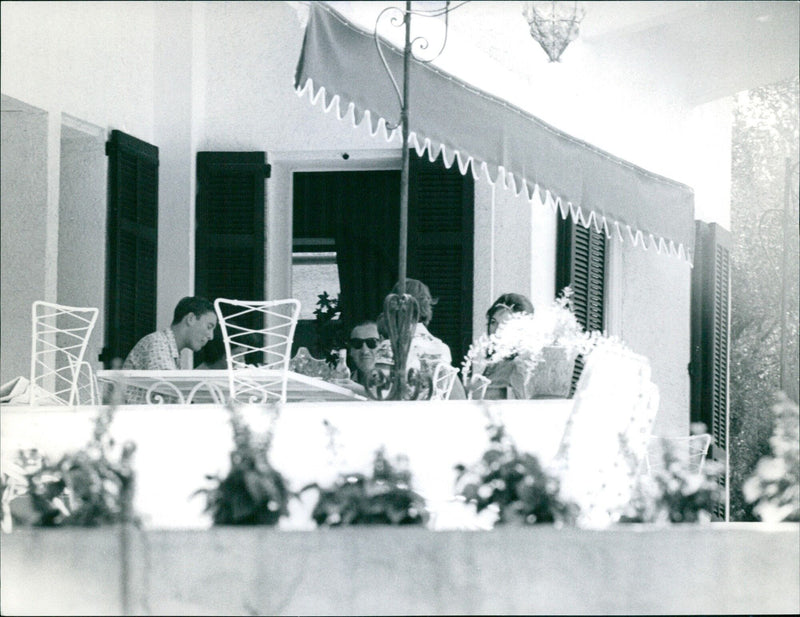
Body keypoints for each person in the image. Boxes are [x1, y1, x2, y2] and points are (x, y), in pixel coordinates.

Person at [123, 296, 217, 370]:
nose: (211, 336)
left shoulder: (169, 349)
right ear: (191, 319)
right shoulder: (157, 344)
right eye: (209, 327)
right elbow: (168, 390)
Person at [480, 293, 536, 399]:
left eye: (505, 324)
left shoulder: (520, 366)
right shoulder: (496, 363)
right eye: (493, 322)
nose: (497, 330)